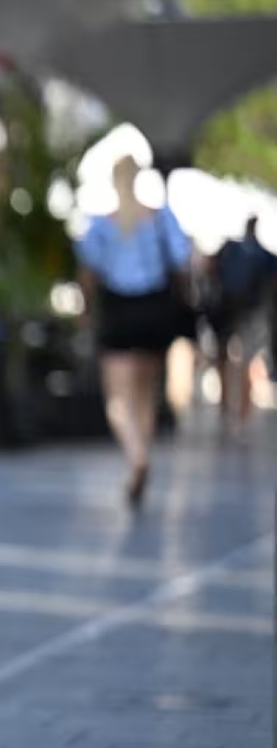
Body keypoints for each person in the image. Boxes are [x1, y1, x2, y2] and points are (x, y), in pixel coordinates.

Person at [74, 156, 194, 507]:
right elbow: (182, 261)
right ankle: (142, 454)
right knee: (145, 394)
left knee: (118, 398)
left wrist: (85, 311)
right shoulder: (159, 218)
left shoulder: (101, 224)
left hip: (119, 309)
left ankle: (136, 454)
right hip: (155, 308)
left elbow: (88, 273)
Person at [207, 214, 274, 436]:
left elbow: (210, 271)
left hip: (226, 310)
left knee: (223, 359)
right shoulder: (262, 254)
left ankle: (226, 407)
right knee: (246, 360)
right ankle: (242, 415)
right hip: (251, 311)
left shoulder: (229, 249)